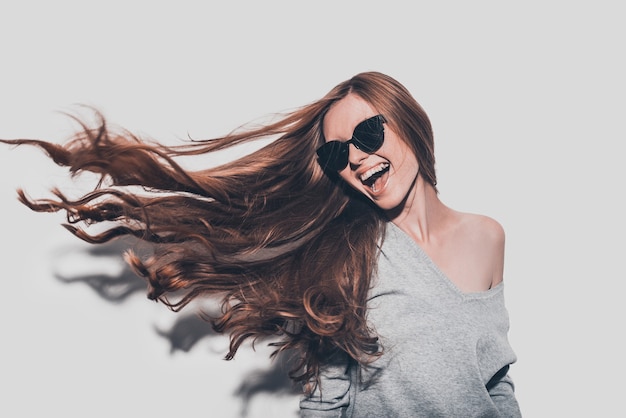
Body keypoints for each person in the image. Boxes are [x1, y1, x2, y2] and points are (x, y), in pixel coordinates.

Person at [1, 71, 521, 417]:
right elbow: (329, 395)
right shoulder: (350, 255)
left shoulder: (487, 236)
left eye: (368, 134)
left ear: (407, 120)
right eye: (339, 153)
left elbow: (494, 376)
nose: (358, 159)